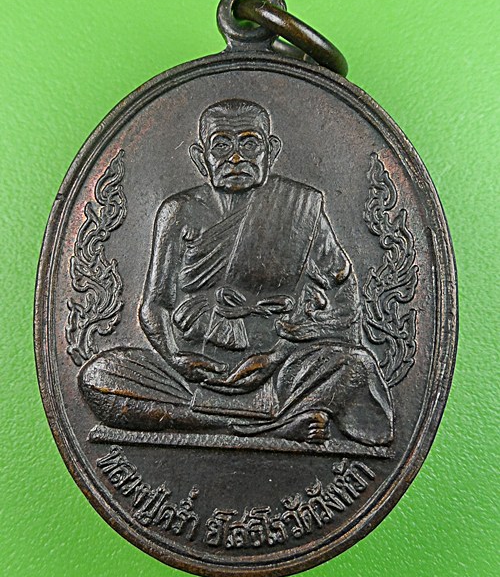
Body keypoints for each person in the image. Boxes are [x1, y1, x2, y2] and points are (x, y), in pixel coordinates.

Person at [80, 99, 393, 446]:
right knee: (99, 377)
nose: (235, 158)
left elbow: (344, 298)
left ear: (271, 151)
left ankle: (246, 418)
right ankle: (277, 426)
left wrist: (276, 355)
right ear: (201, 157)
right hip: (195, 370)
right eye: (221, 145)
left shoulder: (301, 206)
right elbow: (155, 304)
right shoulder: (179, 211)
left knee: (357, 366)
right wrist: (177, 358)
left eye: (249, 144)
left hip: (279, 369)